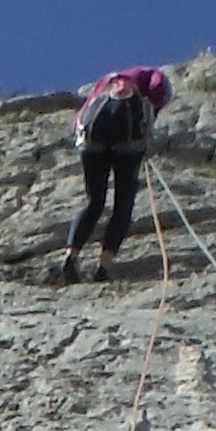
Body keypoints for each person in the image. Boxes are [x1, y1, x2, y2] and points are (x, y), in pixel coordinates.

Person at [62, 65, 173, 278]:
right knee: (123, 205)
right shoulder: (152, 74)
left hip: (93, 135)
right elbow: (158, 88)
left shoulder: (107, 81)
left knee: (94, 202)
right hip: (127, 135)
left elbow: (80, 118)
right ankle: (104, 266)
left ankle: (72, 254)